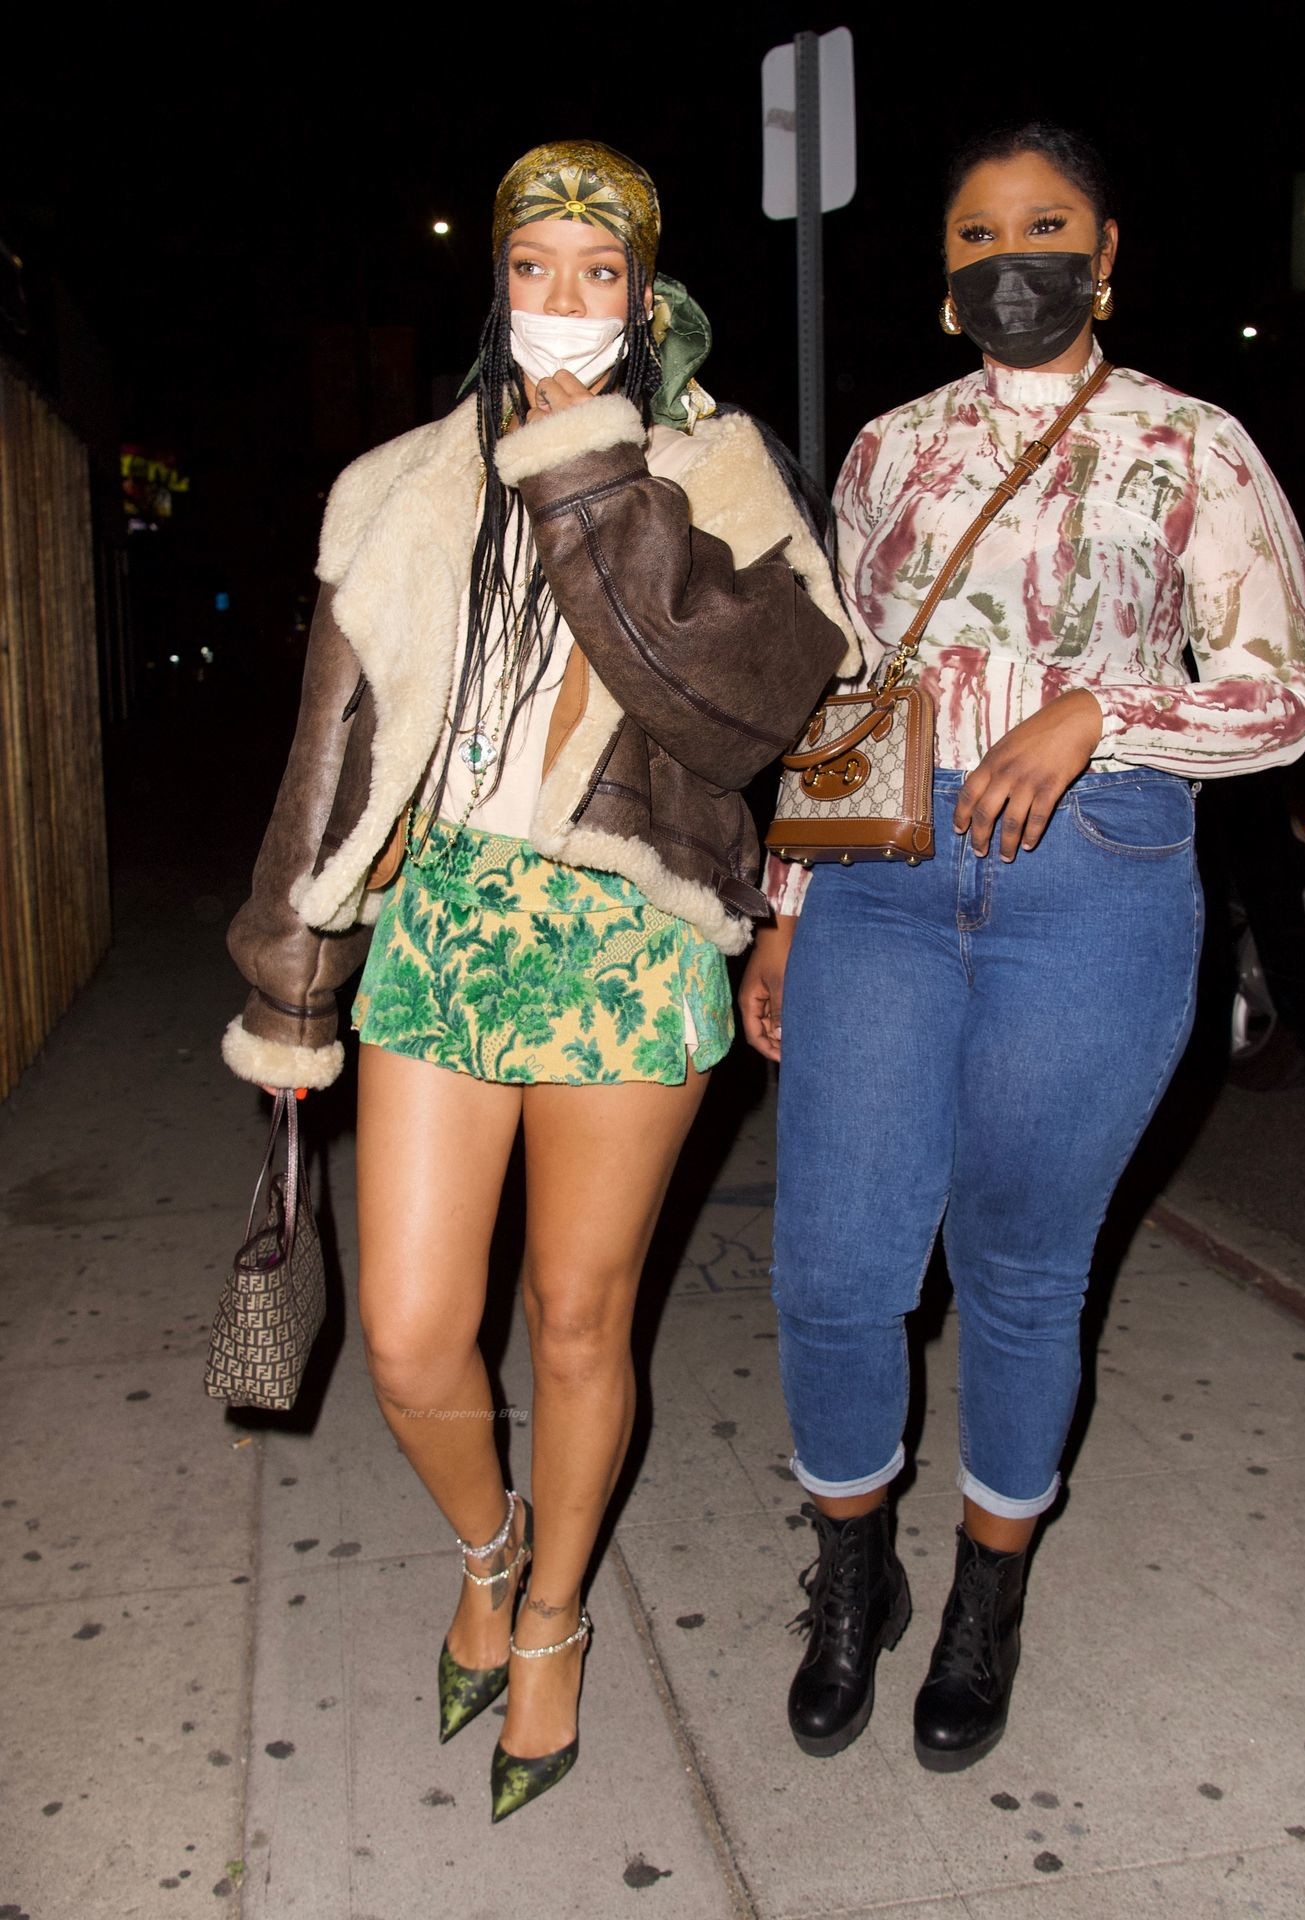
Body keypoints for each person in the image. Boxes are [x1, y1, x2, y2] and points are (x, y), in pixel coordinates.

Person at [222, 139, 852, 1822]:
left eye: (598, 272)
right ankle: (488, 1549)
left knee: (578, 1319)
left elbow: (738, 711)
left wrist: (586, 470)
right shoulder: (400, 488)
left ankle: (555, 1617)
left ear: (647, 298)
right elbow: (329, 762)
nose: (562, 300)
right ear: (494, 285)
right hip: (443, 928)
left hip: (629, 939)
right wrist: (291, 985)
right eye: (531, 268)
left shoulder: (720, 476)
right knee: (414, 1338)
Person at [741, 122, 1305, 1772]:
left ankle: (986, 1597)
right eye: (980, 235)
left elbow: (1282, 698)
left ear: (1106, 254)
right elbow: (841, 696)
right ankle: (855, 1575)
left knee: (1019, 1266)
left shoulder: (1193, 444)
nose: (1015, 260)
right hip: (884, 882)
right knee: (834, 1269)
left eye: (1047, 227)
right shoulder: (887, 451)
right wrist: (788, 907)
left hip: (1096, 878)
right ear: (944, 276)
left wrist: (1097, 712)